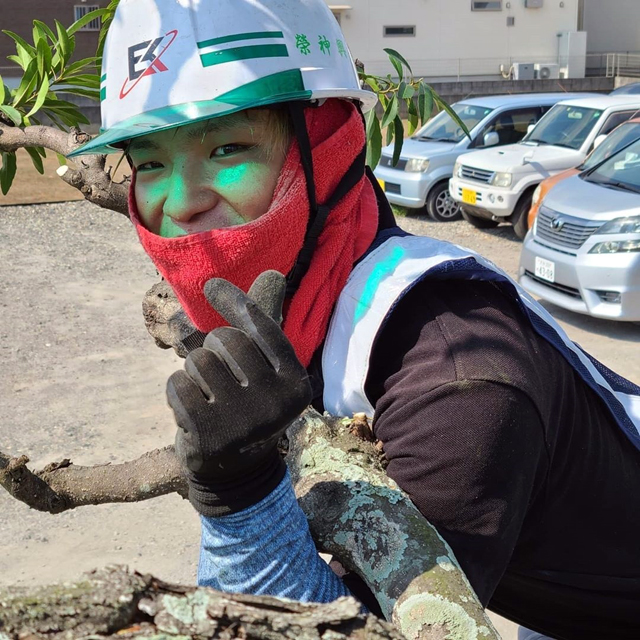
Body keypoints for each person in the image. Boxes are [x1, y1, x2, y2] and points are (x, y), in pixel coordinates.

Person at [72, 1, 640, 638]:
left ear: (330, 146)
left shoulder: (456, 383)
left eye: (229, 148)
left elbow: (343, 628)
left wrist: (238, 496)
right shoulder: (329, 290)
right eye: (149, 163)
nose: (180, 204)